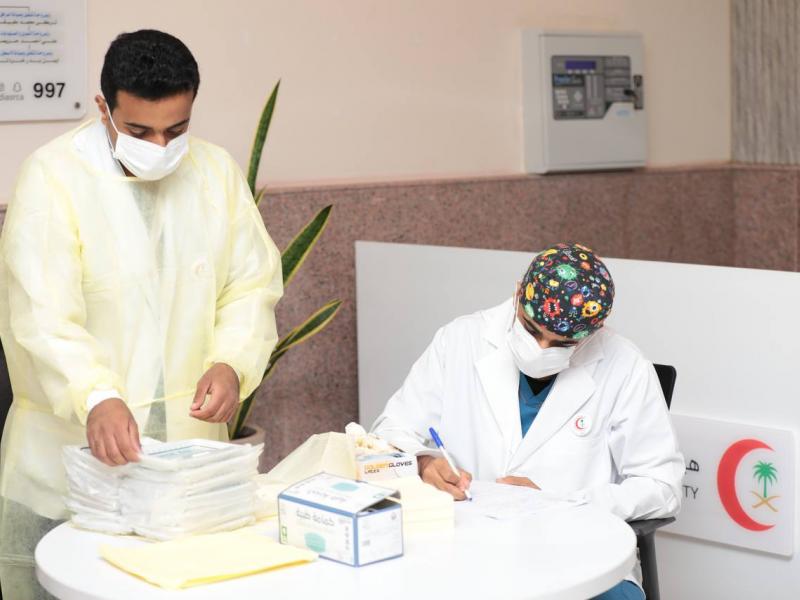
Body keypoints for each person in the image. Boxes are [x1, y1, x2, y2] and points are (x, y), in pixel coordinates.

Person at [0, 30, 283, 599]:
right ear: (104, 108)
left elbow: (250, 286)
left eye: (176, 130)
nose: (159, 145)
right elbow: (41, 315)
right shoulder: (53, 177)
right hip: (70, 462)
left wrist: (232, 362)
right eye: (139, 131)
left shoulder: (215, 174)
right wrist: (95, 395)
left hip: (186, 465)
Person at [372, 242, 683, 600]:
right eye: (531, 329)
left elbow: (663, 487)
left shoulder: (626, 367)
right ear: (519, 292)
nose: (540, 349)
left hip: (580, 554)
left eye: (561, 343)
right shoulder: (460, 340)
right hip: (469, 549)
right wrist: (423, 462)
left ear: (594, 332)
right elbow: (389, 432)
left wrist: (560, 502)